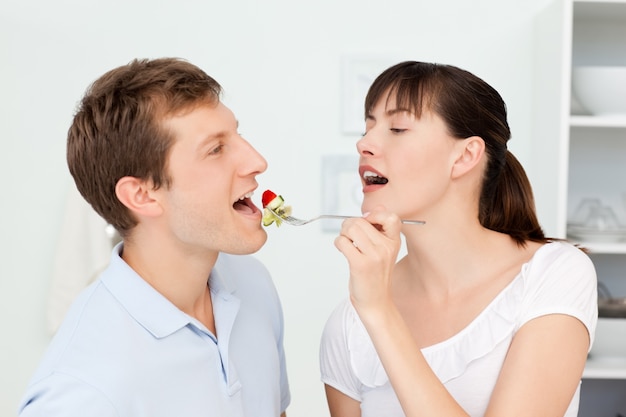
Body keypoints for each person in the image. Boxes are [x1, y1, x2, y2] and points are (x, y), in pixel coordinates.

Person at [319, 61, 597, 417]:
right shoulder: (347, 326)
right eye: (368, 126)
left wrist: (381, 312)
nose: (364, 143)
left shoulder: (553, 274)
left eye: (398, 128)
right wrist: (372, 309)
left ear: (465, 156)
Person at [18, 58, 290, 417]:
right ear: (142, 196)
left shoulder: (252, 283)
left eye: (237, 135)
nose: (257, 161)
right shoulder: (81, 392)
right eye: (216, 149)